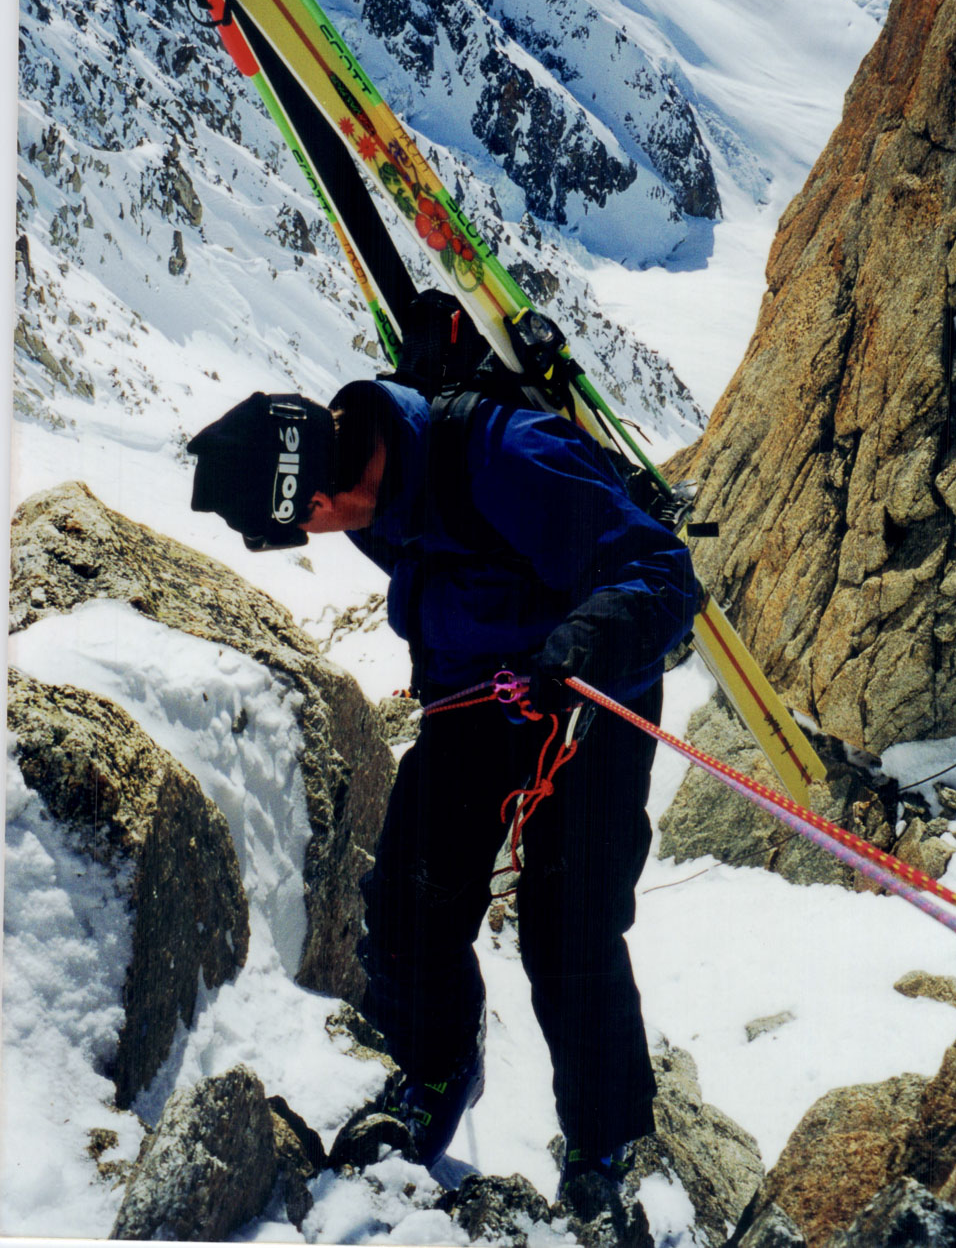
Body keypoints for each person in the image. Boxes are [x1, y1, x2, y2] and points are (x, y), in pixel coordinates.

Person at [186, 374, 700, 1199]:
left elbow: (665, 574)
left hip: (594, 692)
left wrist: (591, 640)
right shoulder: (366, 477)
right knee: (405, 904)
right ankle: (433, 1074)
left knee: (568, 923)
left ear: (317, 493)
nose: (314, 536)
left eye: (299, 524)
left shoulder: (510, 459)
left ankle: (609, 1152)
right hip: (481, 694)